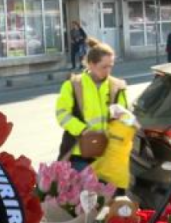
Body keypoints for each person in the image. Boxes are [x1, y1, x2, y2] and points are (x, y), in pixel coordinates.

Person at [55, 38, 129, 191]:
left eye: (111, 66)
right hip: (79, 155)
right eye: (104, 67)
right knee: (83, 201)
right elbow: (62, 114)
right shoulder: (73, 84)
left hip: (108, 155)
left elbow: (124, 117)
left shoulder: (117, 86)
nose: (108, 71)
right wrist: (83, 130)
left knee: (106, 203)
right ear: (90, 64)